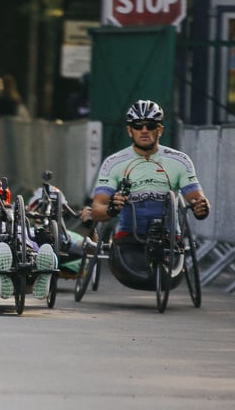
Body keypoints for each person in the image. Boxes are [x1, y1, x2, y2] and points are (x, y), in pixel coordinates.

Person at [90, 100, 210, 288]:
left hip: (168, 237)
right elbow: (97, 209)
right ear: (130, 130)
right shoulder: (113, 162)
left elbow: (196, 198)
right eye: (138, 125)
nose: (144, 130)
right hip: (129, 236)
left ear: (159, 130)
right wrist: (111, 208)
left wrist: (201, 207)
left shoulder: (180, 161)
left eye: (151, 125)